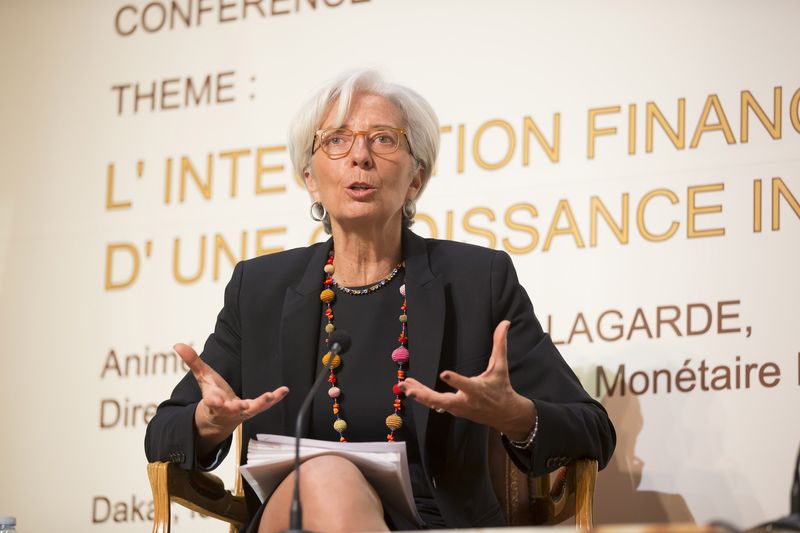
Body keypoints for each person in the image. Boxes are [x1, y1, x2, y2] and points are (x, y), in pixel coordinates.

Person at [145, 69, 616, 532]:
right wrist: (208, 423)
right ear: (310, 178)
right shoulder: (261, 288)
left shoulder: (478, 281)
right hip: (293, 518)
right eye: (336, 140)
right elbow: (162, 435)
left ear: (416, 179)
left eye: (384, 139)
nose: (360, 157)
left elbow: (593, 429)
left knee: (328, 481)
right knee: (324, 479)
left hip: (433, 522)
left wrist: (516, 417)